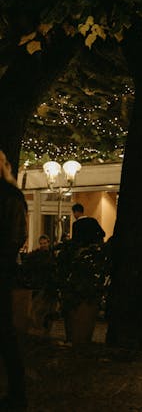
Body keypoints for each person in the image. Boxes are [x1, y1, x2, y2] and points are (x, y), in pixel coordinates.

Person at [0, 150, 28, 409]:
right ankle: (17, 390)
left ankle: (17, 390)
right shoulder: (12, 196)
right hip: (3, 268)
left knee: (5, 331)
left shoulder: (10, 197)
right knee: (5, 331)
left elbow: (15, 236)